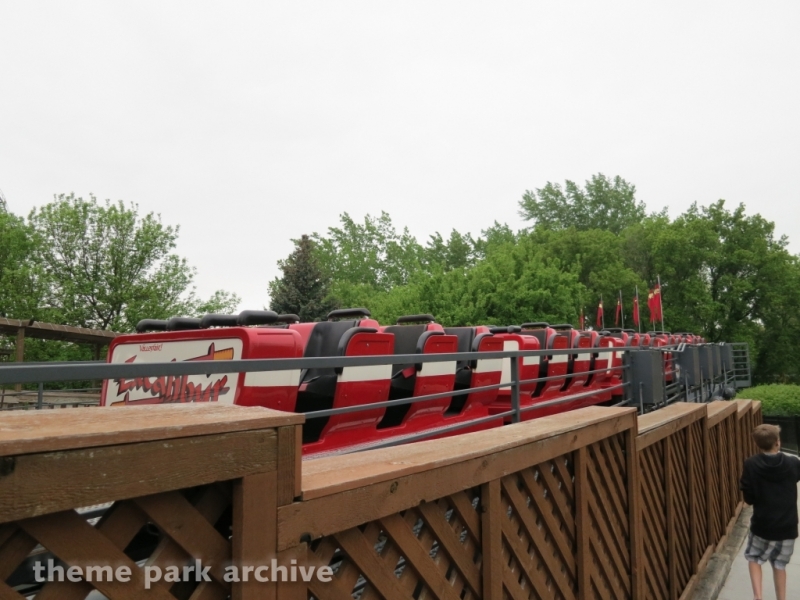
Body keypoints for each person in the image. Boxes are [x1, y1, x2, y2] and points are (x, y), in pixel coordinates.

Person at [740, 424, 800, 600]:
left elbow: (748, 497)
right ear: (778, 442)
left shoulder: (750, 464)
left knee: (754, 557)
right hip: (788, 526)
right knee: (780, 564)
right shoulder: (793, 463)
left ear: (758, 444)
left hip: (763, 525)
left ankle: (758, 596)